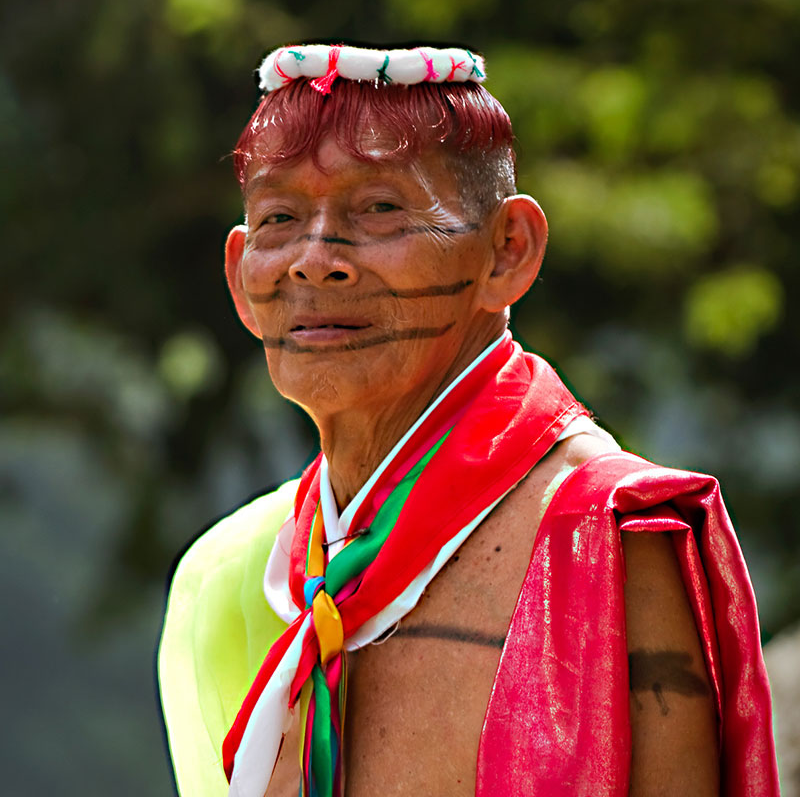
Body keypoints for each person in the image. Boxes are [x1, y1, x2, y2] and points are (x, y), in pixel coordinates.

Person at [158, 44, 779, 797]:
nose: (316, 259)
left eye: (380, 208)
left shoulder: (611, 539)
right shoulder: (231, 578)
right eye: (280, 218)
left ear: (508, 251)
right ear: (239, 276)